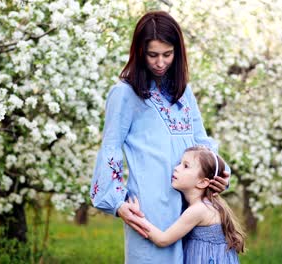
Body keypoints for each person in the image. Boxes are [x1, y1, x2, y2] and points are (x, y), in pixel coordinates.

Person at [90, 11, 230, 263]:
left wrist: (218, 174)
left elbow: (202, 141)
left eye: (167, 54)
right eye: (152, 54)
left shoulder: (183, 91)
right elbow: (110, 148)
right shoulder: (125, 93)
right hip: (151, 208)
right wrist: (117, 202)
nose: (160, 62)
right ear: (139, 52)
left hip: (193, 204)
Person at [128, 146, 245, 263]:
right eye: (179, 163)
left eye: (186, 166)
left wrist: (136, 216)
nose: (176, 168)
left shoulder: (198, 210)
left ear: (202, 182)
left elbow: (162, 240)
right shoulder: (206, 205)